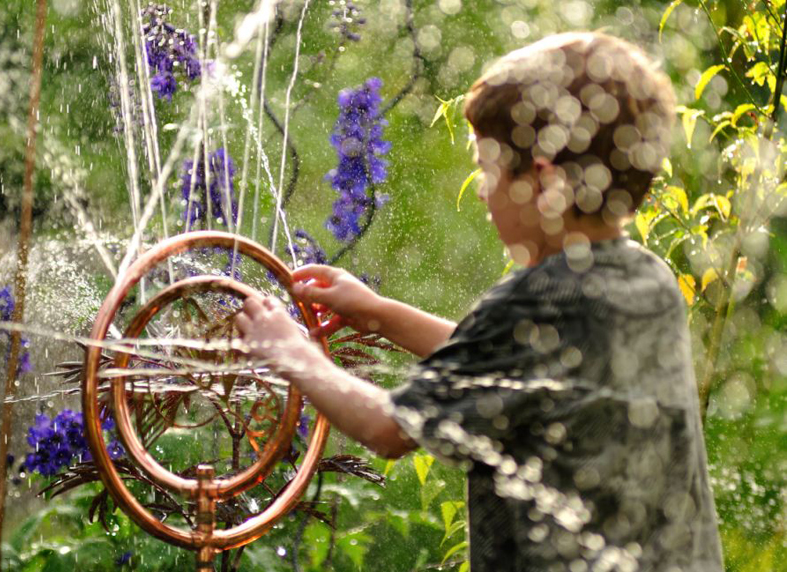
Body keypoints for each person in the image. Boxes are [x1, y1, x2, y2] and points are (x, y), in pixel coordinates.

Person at [234, 32, 724, 571]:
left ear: (546, 185)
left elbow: (388, 429)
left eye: (489, 170)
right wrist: (380, 314)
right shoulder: (645, 281)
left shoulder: (537, 299)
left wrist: (291, 353)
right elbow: (508, 366)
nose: (485, 192)